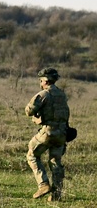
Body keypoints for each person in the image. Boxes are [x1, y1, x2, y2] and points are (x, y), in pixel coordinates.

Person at [25, 67, 71, 201]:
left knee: (32, 155)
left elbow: (29, 110)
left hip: (48, 132)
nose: (40, 83)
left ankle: (43, 184)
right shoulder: (62, 95)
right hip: (62, 133)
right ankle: (57, 194)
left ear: (45, 80)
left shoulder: (44, 94)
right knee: (56, 162)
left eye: (41, 80)